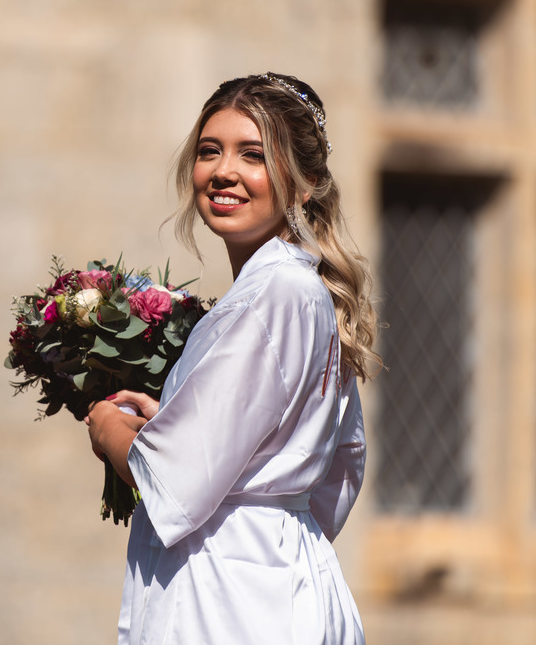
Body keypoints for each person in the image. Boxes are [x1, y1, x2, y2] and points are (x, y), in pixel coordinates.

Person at [86, 72, 378, 644]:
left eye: (253, 155)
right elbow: (341, 464)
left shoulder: (274, 293)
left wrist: (111, 430)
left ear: (305, 182)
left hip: (230, 603)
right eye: (209, 151)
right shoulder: (299, 287)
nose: (223, 172)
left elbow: (174, 479)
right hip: (277, 580)